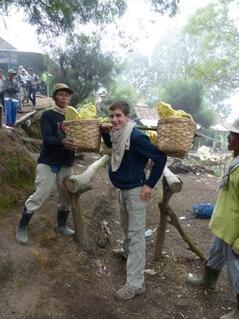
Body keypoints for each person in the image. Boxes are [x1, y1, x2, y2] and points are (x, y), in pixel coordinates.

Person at [101, 101, 167, 301]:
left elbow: (160, 158)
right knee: (126, 225)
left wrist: (149, 185)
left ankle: (135, 284)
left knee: (137, 236)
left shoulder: (136, 136)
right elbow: (112, 145)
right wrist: (105, 133)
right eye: (112, 116)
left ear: (127, 117)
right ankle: (126, 251)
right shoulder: (117, 134)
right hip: (123, 188)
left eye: (119, 116)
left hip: (137, 191)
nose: (114, 120)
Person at [186, 117, 239, 319]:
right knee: (214, 256)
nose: (228, 137)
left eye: (233, 135)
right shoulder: (235, 161)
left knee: (236, 271)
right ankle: (208, 281)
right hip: (224, 226)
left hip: (235, 233)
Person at [16, 83, 78, 245]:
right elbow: (47, 139)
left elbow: (79, 138)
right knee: (41, 194)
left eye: (67, 95)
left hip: (66, 162)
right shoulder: (48, 115)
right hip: (49, 161)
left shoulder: (74, 116)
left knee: (66, 195)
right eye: (61, 94)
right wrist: (62, 142)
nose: (64, 97)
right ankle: (22, 226)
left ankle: (61, 224)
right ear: (54, 97)